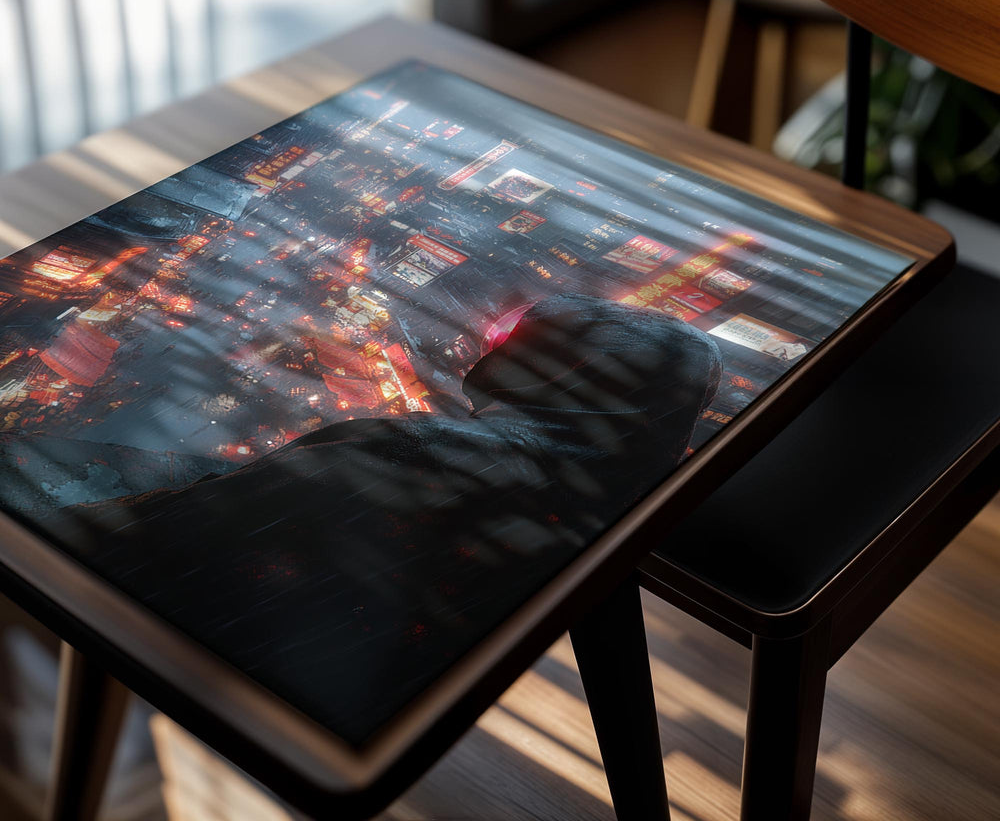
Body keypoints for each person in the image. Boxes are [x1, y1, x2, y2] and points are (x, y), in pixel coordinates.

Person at [1, 294, 722, 743]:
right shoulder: (632, 493)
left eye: (519, 343)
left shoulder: (407, 451)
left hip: (249, 656)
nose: (489, 347)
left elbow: (147, 547)